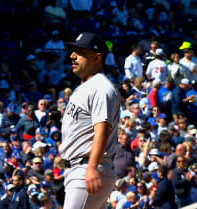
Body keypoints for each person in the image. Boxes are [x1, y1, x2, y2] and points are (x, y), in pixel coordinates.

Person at [59, 32, 120, 209]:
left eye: (80, 52)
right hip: (79, 168)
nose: (72, 56)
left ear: (97, 57)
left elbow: (102, 130)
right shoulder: (86, 87)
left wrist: (91, 168)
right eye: (73, 51)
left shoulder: (101, 88)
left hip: (87, 167)